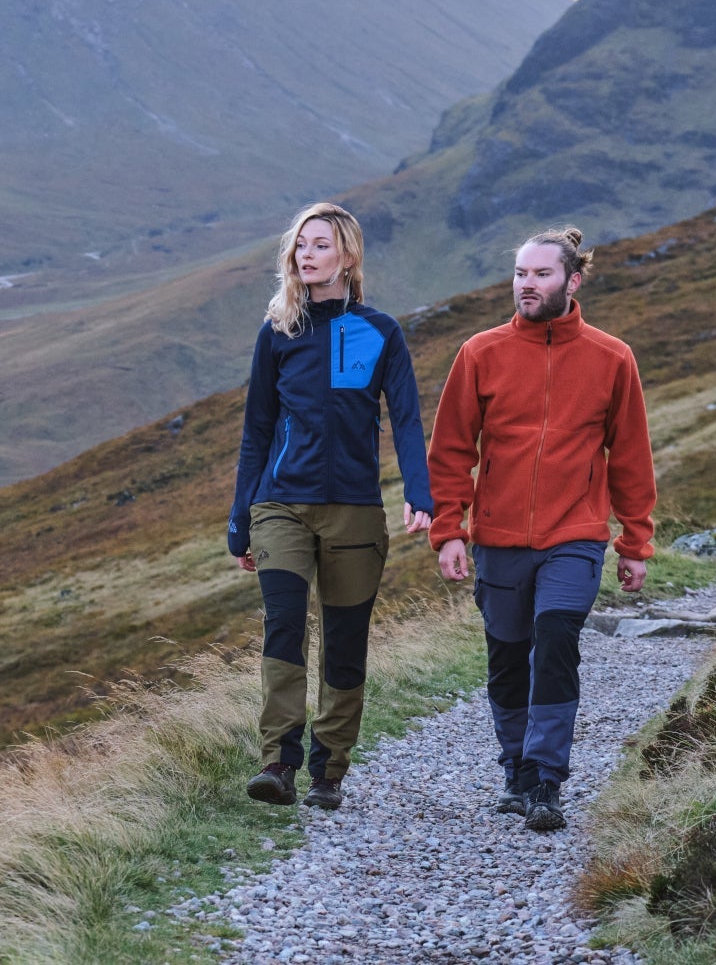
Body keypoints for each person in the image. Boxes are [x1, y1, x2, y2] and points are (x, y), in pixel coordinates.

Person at [427, 226, 656, 832]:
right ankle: (516, 771)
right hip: (498, 538)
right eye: (520, 275)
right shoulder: (481, 352)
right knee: (507, 657)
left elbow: (630, 455)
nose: (527, 286)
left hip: (575, 535)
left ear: (572, 280)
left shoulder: (612, 358)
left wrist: (636, 541)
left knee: (555, 640)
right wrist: (449, 530)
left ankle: (546, 778)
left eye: (541, 275)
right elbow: (451, 450)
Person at [228, 202, 434, 811]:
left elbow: (405, 416)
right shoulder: (279, 333)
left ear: (347, 254)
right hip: (280, 505)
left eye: (319, 244)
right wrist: (241, 517)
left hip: (353, 509)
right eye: (299, 246)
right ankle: (279, 764)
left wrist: (419, 494)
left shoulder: (379, 331)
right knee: (284, 628)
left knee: (345, 641)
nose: (305, 255)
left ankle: (329, 769)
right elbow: (255, 431)